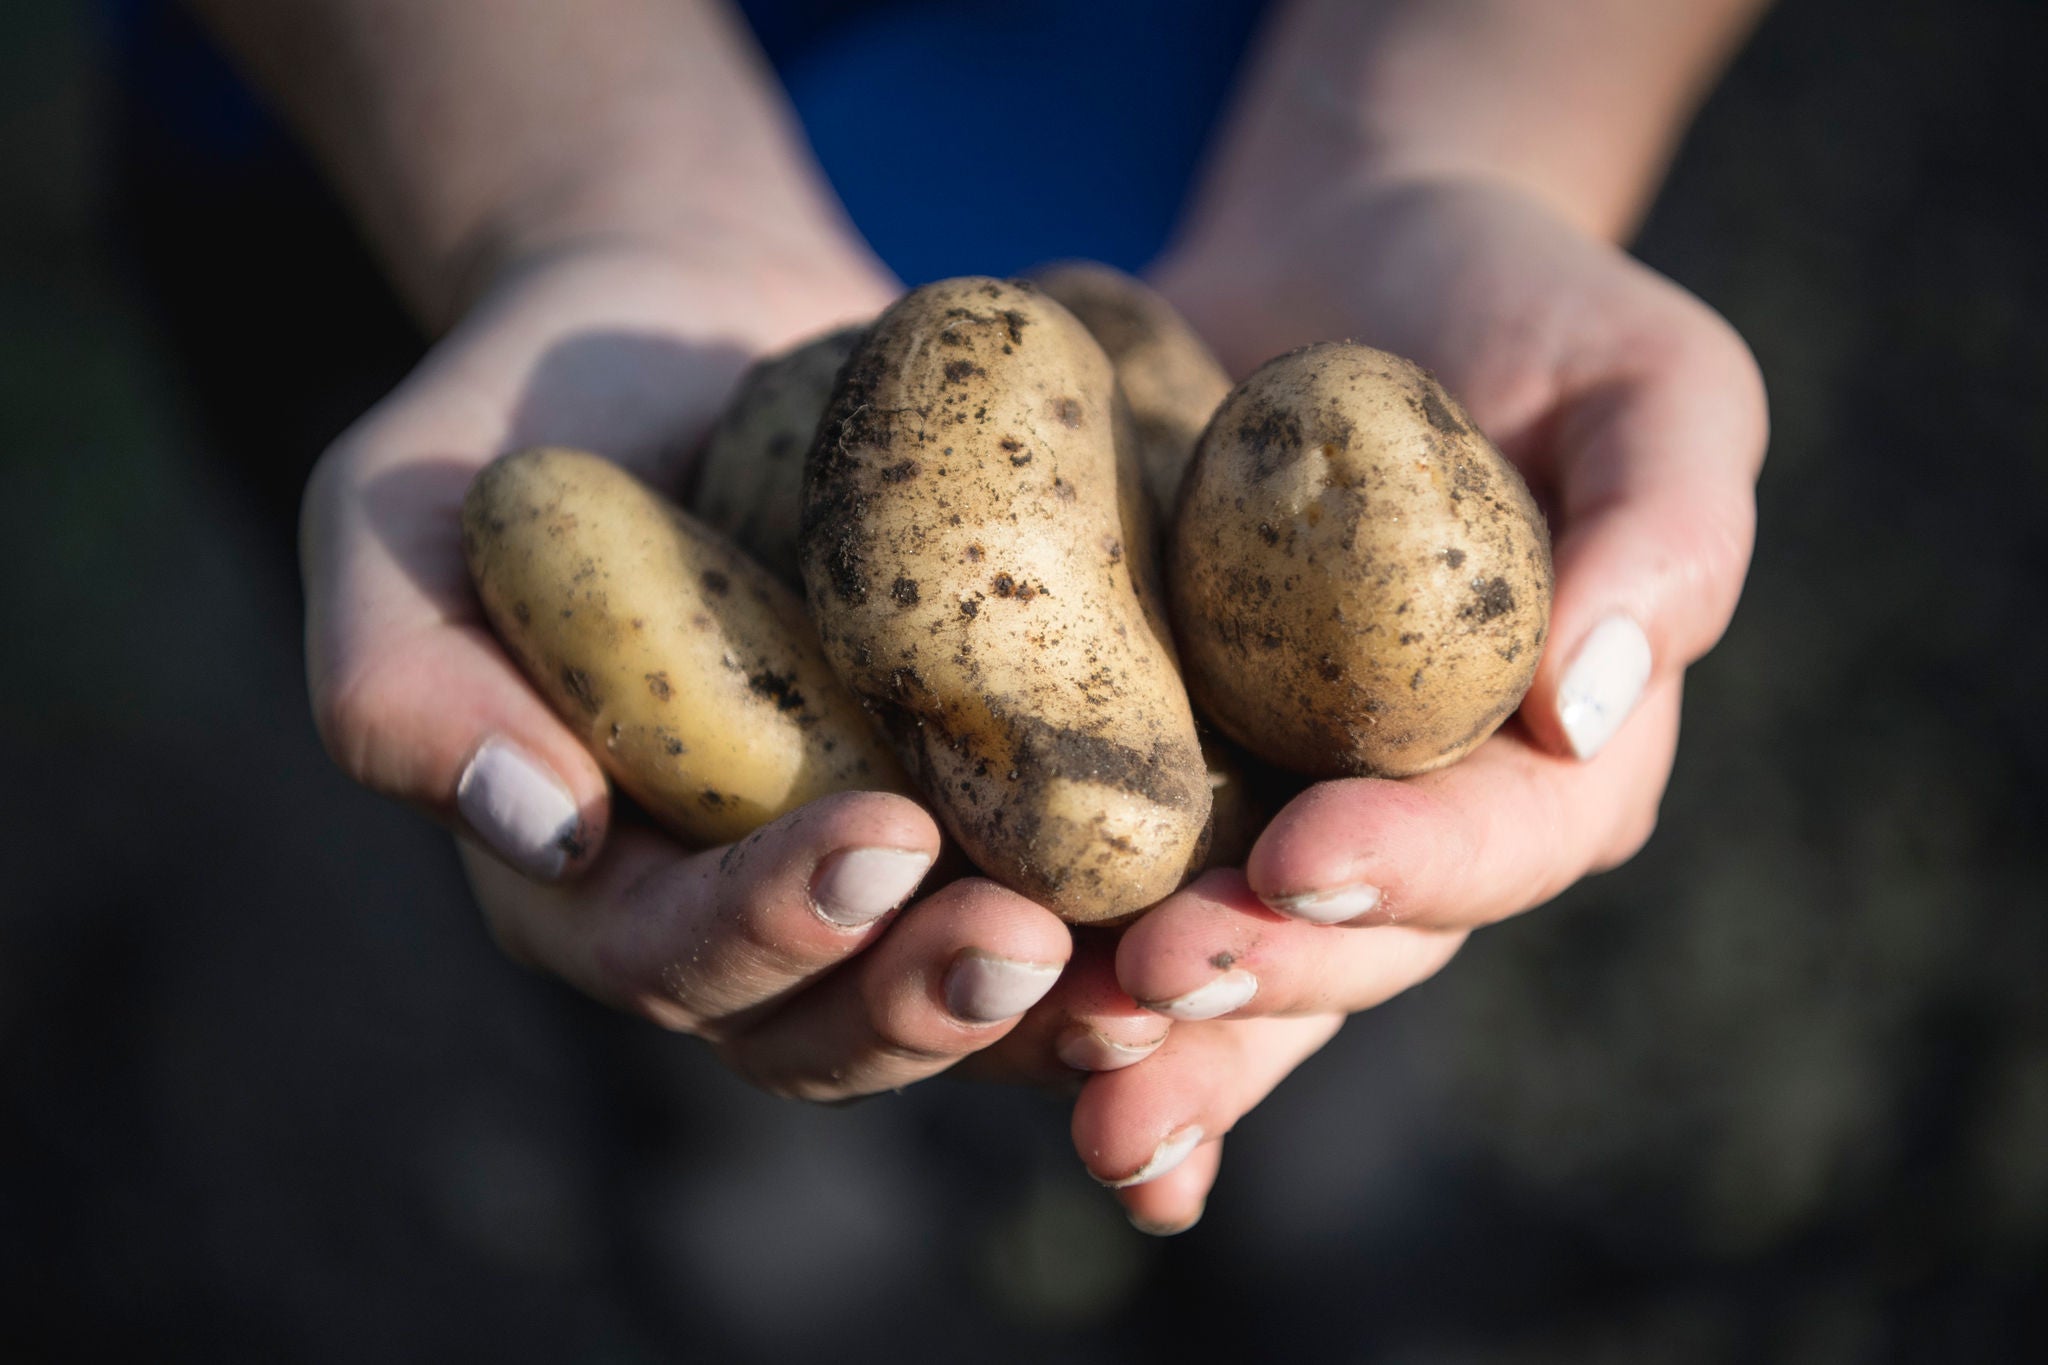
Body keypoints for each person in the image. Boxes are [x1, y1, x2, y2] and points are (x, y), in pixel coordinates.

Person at [186, 0, 1770, 1235]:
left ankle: (1342, 1240)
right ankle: (793, 1262)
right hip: (444, 135)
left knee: (1289, 954)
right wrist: (559, 188)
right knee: (717, 980)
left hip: (1232, 113)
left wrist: (1460, 134)